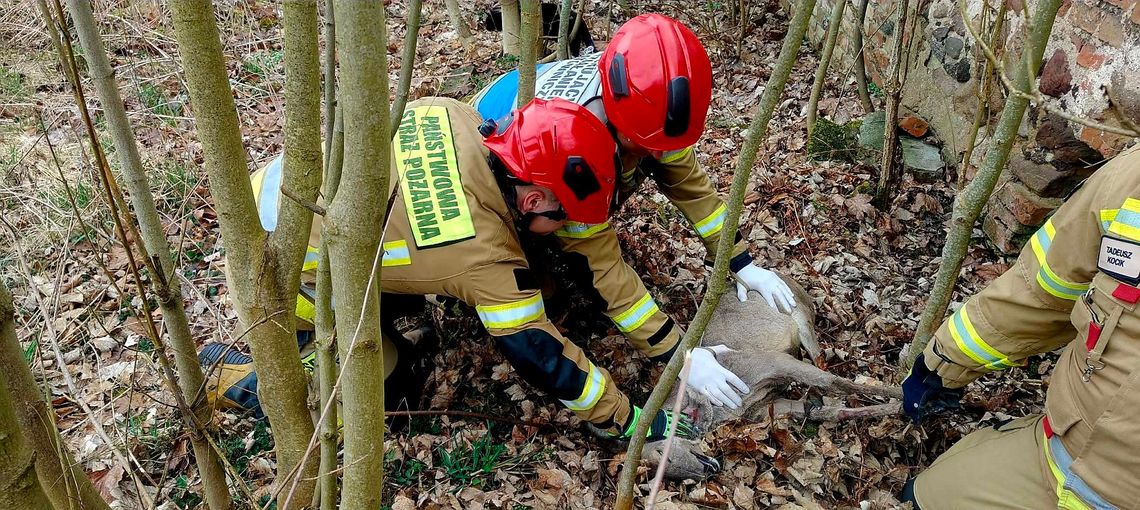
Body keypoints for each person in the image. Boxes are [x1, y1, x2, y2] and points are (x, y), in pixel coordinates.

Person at [201, 96, 739, 440]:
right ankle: (228, 374)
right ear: (532, 200)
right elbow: (541, 355)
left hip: (272, 202)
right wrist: (629, 420)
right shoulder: (479, 254)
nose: (563, 229)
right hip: (281, 279)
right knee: (384, 395)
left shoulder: (456, 115)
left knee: (406, 329)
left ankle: (379, 325)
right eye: (562, 217)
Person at [470, 14, 797, 408]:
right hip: (505, 168)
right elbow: (605, 269)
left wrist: (740, 261)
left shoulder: (654, 102)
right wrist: (679, 355)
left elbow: (689, 185)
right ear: (617, 115)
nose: (659, 155)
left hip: (552, 147)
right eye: (647, 144)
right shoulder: (572, 148)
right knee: (544, 286)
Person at [899, 146, 1140, 509]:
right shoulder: (1131, 182)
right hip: (1056, 457)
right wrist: (942, 364)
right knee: (920, 497)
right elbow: (1042, 292)